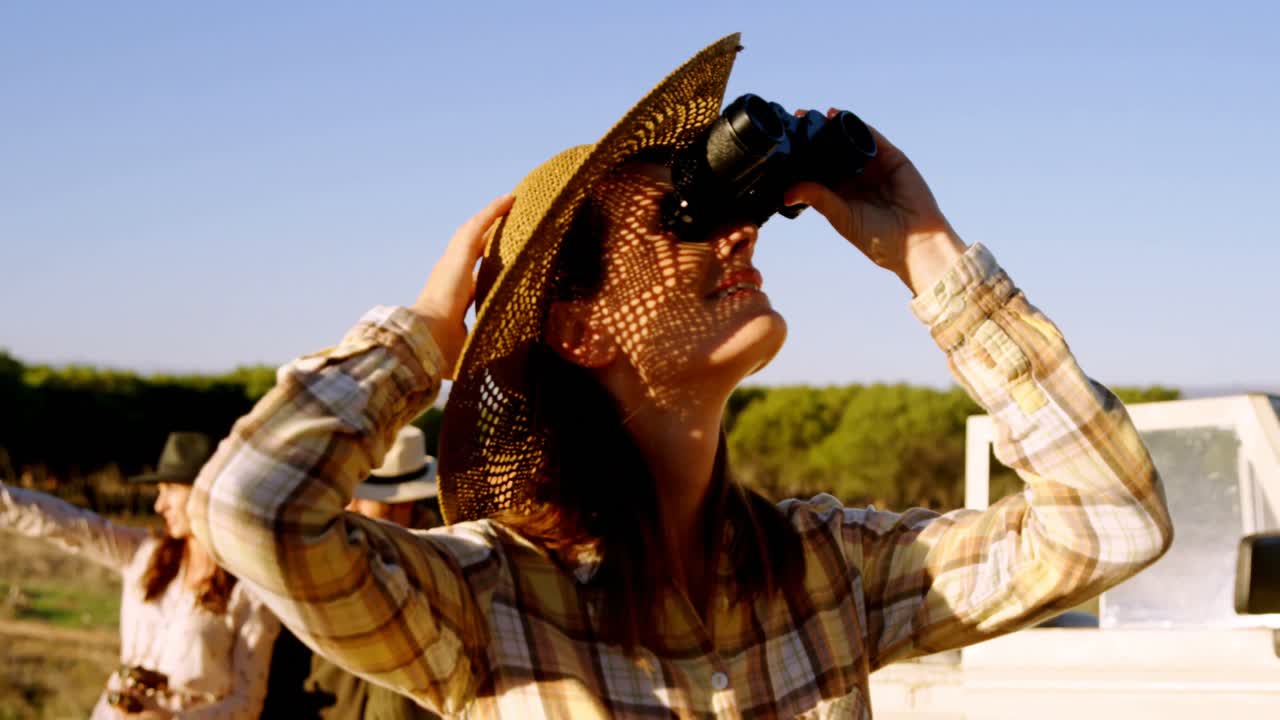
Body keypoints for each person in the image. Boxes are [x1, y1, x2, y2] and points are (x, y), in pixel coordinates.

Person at [189, 34, 1174, 718]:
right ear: (575, 328)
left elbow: (1110, 523)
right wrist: (430, 335)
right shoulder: (484, 602)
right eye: (683, 220)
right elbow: (253, 513)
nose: (740, 227)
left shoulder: (826, 569)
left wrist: (925, 252)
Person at [0, 432, 279, 718]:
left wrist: (168, 718)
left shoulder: (249, 590)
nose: (160, 505)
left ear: (207, 493)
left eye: (171, 489)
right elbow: (62, 522)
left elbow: (246, 703)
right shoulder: (143, 553)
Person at [261, 426, 442, 719]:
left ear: (404, 503)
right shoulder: (337, 555)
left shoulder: (434, 574)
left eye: (363, 496)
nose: (349, 506)